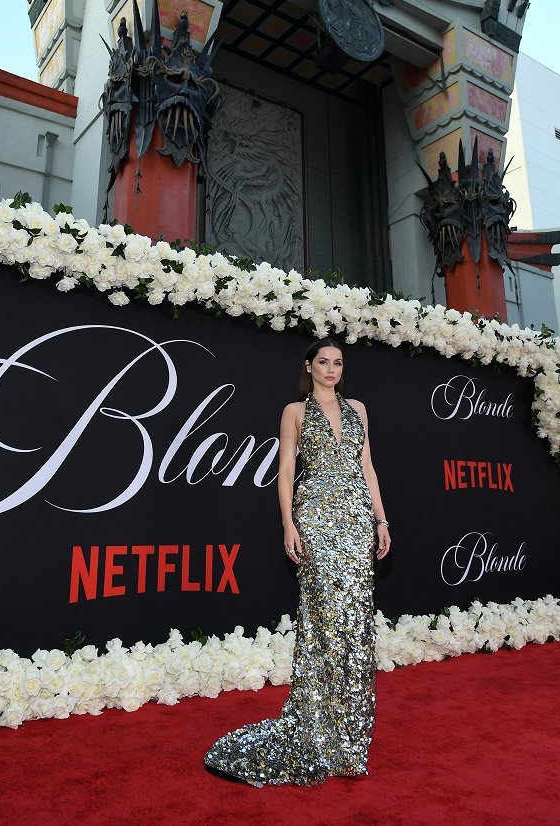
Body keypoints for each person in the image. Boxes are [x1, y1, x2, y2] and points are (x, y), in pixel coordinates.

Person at [204, 337, 391, 786]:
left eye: (338, 362)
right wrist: (289, 524)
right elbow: (285, 471)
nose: (331, 368)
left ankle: (346, 732)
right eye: (323, 362)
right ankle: (314, 724)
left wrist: (381, 520)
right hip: (316, 517)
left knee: (355, 619)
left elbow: (367, 467)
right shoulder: (295, 411)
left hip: (356, 518)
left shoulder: (359, 410)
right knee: (325, 616)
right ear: (308, 367)